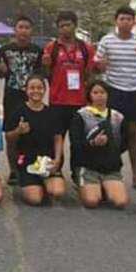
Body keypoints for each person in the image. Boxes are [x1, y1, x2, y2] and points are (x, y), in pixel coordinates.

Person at [95, 6, 136, 194]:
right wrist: (100, 66)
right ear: (116, 21)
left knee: (133, 135)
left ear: (134, 22)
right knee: (112, 135)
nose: (125, 22)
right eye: (122, 19)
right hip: (113, 92)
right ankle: (108, 173)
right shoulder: (107, 41)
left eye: (129, 19)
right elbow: (97, 66)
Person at [42, 11, 95, 181]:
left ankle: (77, 173)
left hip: (79, 102)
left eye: (68, 25)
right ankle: (56, 170)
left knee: (78, 141)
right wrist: (45, 66)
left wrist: (90, 100)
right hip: (57, 101)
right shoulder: (51, 48)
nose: (65, 29)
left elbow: (89, 75)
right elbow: (46, 75)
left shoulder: (86, 48)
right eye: (61, 26)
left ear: (75, 25)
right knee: (56, 138)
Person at [6, 75, 66, 205]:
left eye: (39, 88)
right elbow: (8, 137)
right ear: (26, 90)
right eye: (32, 88)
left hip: (47, 160)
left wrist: (57, 159)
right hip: (27, 161)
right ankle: (29, 182)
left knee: (57, 192)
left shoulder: (51, 113)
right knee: (35, 199)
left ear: (44, 90)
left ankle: (44, 183)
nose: (36, 91)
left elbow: (58, 137)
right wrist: (18, 131)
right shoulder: (18, 111)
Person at [0, 15, 43, 184]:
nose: (23, 31)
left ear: (31, 31)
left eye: (27, 27)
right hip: (11, 97)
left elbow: (42, 73)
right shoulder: (5, 50)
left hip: (32, 98)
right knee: (11, 135)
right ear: (15, 30)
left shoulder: (38, 51)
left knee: (34, 133)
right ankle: (13, 170)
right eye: (20, 27)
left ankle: (33, 166)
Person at [69, 80, 129, 209]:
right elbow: (75, 143)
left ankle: (104, 187)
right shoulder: (81, 115)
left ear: (108, 95)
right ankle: (84, 184)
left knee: (120, 202)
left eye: (102, 92)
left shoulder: (118, 117)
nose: (99, 96)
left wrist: (111, 151)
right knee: (91, 202)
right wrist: (93, 143)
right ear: (89, 95)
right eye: (95, 92)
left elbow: (124, 143)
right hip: (88, 167)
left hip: (110, 168)